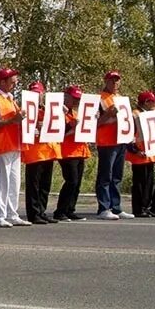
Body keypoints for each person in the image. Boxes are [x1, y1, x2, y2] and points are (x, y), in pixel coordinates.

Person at [0, 67, 29, 227]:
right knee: (2, 180)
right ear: (2, 81)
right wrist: (12, 120)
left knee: (14, 180)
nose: (15, 84)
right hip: (3, 143)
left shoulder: (10, 98)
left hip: (15, 143)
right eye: (12, 81)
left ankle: (12, 213)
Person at [95, 71, 132, 220]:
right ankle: (104, 208)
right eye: (112, 81)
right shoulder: (99, 99)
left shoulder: (120, 99)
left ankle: (116, 207)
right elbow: (93, 123)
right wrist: (108, 115)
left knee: (117, 176)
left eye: (117, 81)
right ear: (106, 81)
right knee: (105, 175)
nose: (115, 83)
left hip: (120, 140)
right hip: (106, 141)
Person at [21, 81, 59, 225]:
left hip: (48, 150)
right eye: (34, 93)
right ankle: (34, 213)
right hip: (34, 152)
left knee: (45, 184)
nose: (37, 96)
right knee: (34, 185)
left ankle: (42, 210)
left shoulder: (48, 109)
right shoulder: (27, 109)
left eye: (39, 94)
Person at [53, 85, 90, 221]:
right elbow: (58, 133)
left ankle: (70, 209)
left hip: (79, 150)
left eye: (78, 99)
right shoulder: (59, 113)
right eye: (74, 98)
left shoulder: (75, 113)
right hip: (67, 152)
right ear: (66, 97)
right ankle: (60, 211)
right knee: (71, 181)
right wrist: (71, 127)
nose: (76, 101)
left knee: (77, 183)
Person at [126, 91, 155, 218]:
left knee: (148, 181)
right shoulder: (135, 114)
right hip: (139, 154)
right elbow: (129, 134)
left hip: (149, 153)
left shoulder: (150, 114)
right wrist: (135, 150)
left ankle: (145, 206)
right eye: (153, 101)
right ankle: (138, 208)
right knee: (140, 182)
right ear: (146, 102)